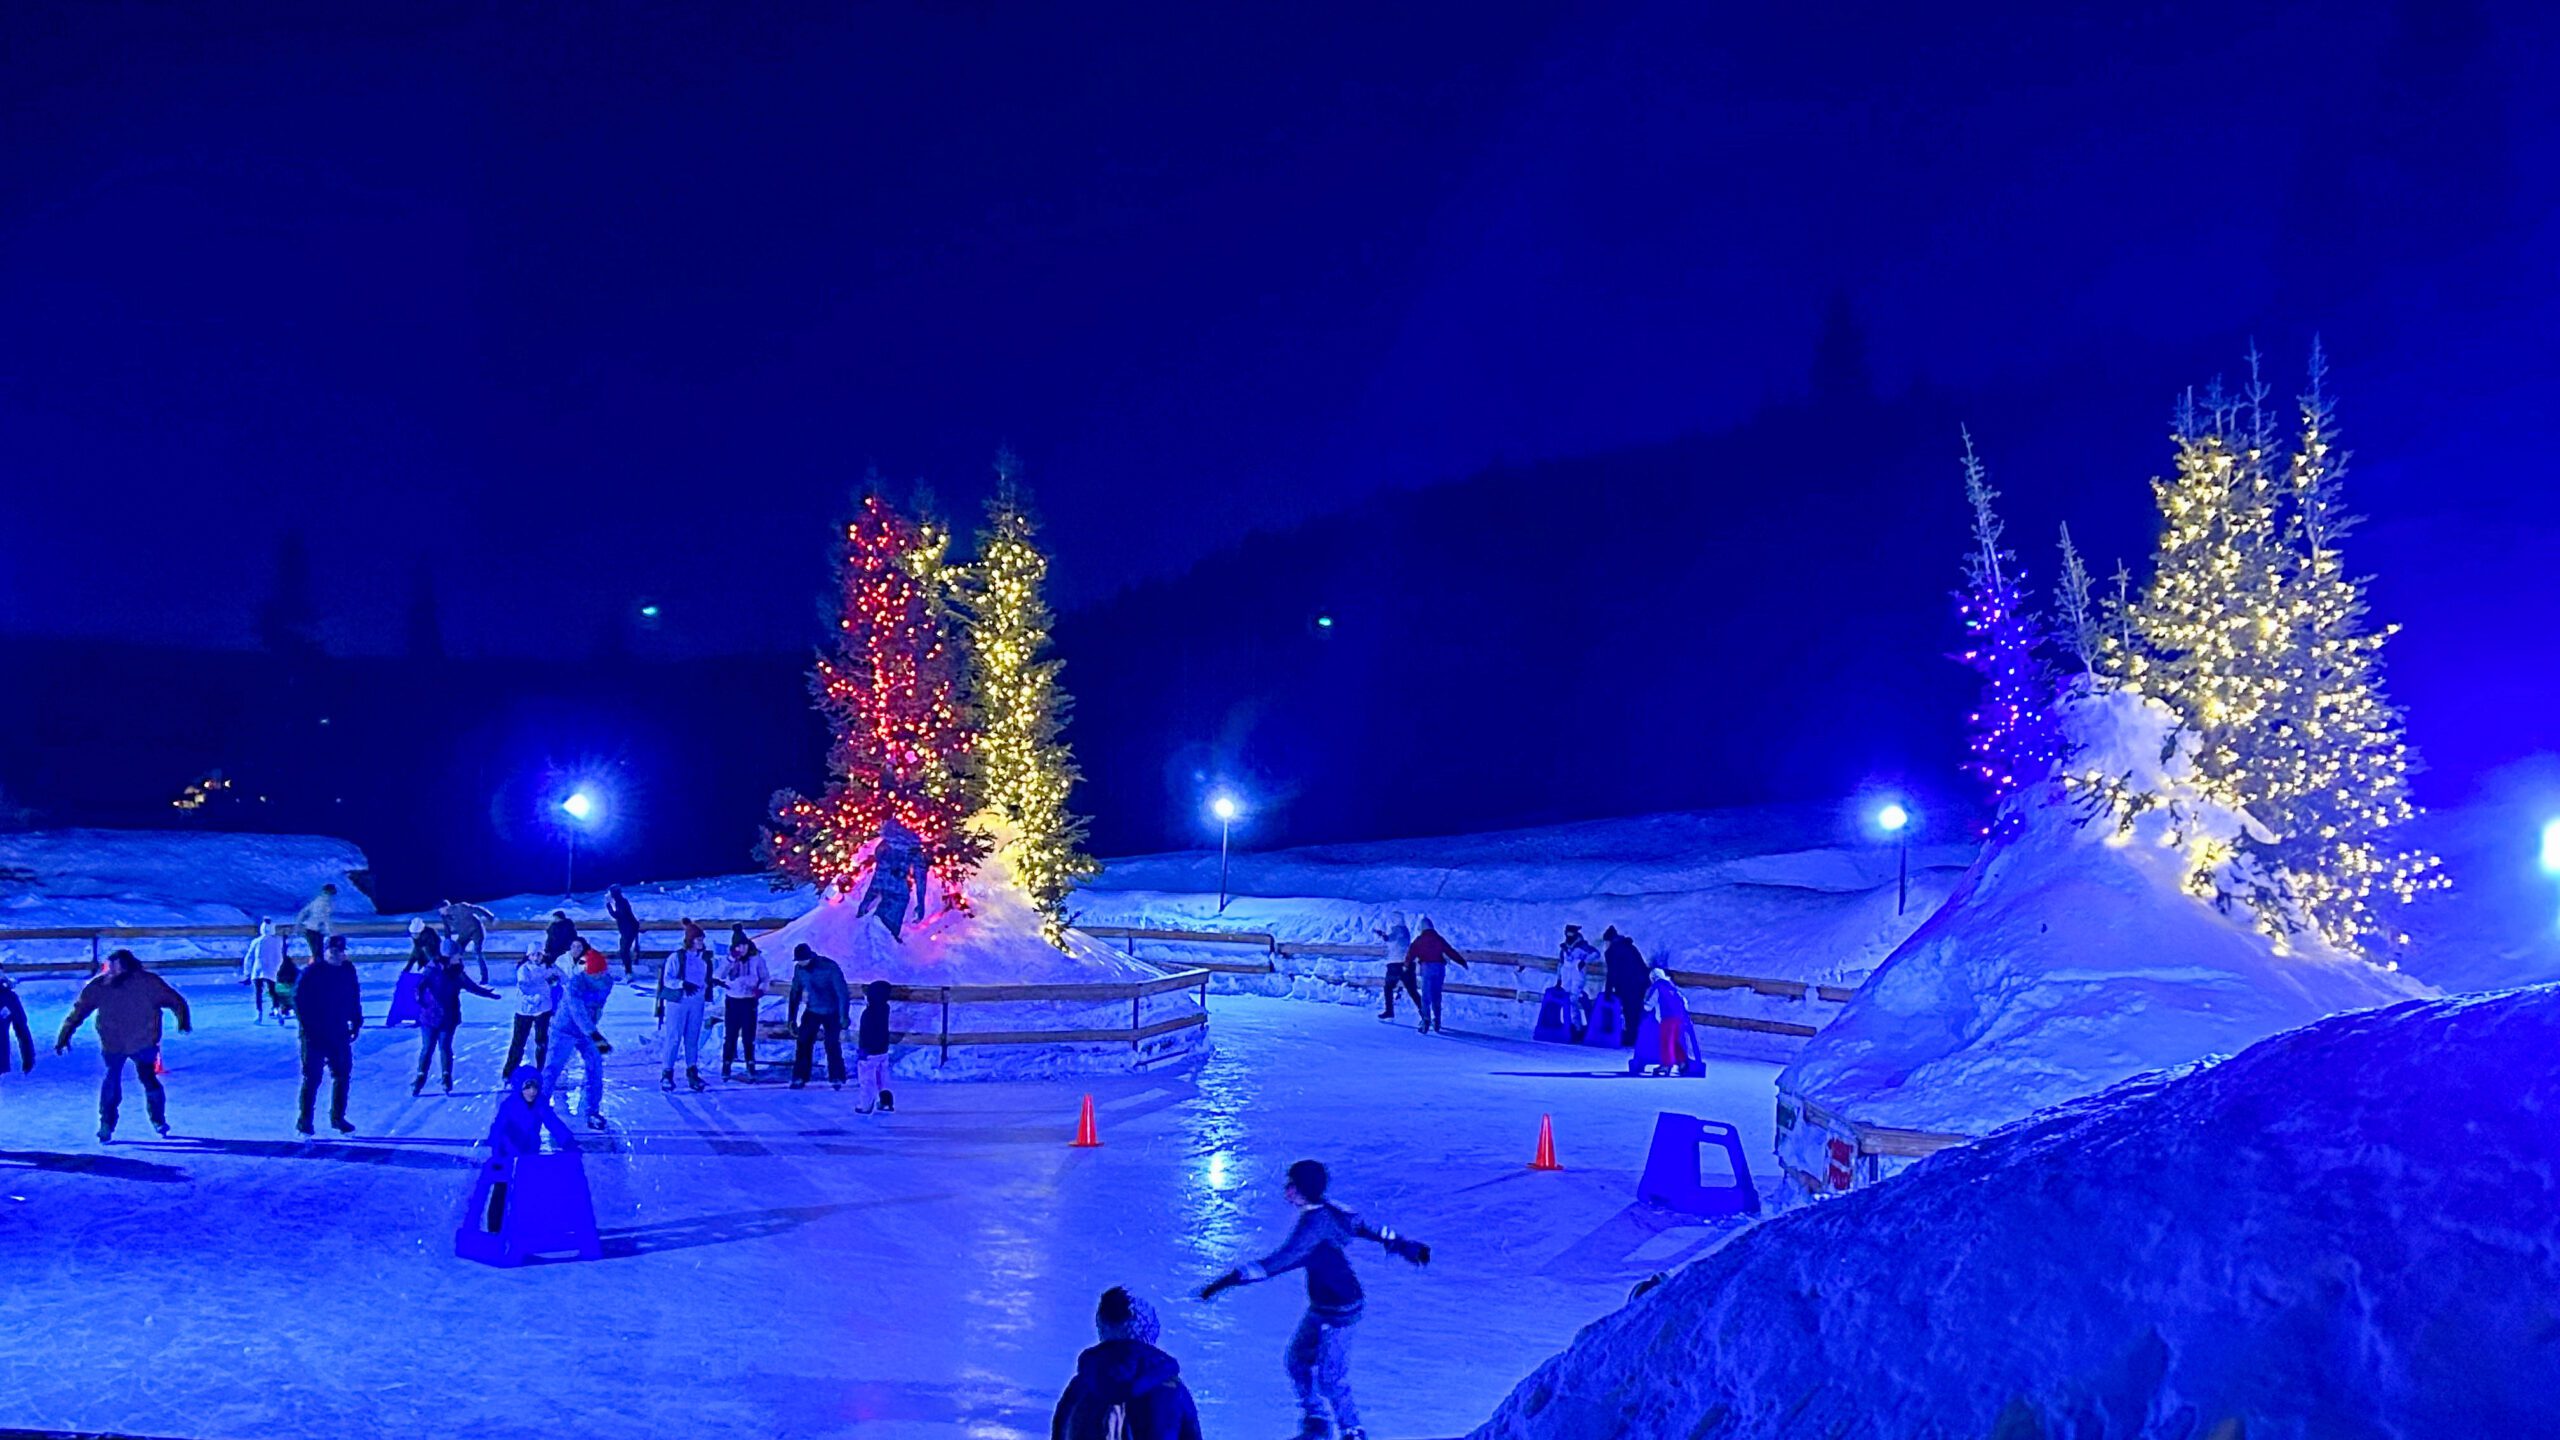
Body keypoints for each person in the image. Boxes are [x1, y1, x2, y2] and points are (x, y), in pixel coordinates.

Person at [1198, 1159, 1429, 1440]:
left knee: (1332, 1378)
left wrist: (1225, 1282)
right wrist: (1401, 1243)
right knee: (1297, 1361)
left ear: (1304, 1189)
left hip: (1340, 1310)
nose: (1286, 1191)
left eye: (1291, 1185)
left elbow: (1280, 1261)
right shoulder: (1330, 1209)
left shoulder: (1312, 1228)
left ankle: (1352, 1431)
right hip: (1322, 1305)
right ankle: (1316, 1419)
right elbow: (1364, 1225)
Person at [55, 950, 191, 1142]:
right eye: (108, 966)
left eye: (113, 966)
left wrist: (183, 1020)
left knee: (141, 1077)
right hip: (118, 1042)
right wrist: (65, 1033)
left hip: (138, 1041)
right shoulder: (104, 985)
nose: (109, 970)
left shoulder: (145, 983)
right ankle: (109, 1123)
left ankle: (153, 1120)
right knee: (121, 1078)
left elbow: (176, 1002)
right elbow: (79, 1010)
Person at [1050, 1286, 1204, 1440]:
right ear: (1151, 1332)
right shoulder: (1173, 1389)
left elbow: (1060, 1432)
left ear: (1102, 1326)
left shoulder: (1080, 1386)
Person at [475, 1065, 578, 1233]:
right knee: (502, 1189)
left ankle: (528, 1225)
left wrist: (567, 1141)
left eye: (535, 1087)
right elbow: (498, 1129)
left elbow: (553, 1122)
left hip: (529, 1156)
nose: (532, 1091)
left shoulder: (540, 1104)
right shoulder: (509, 1105)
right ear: (519, 1087)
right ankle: (495, 1228)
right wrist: (498, 1153)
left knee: (530, 1190)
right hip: (507, 1155)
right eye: (527, 1087)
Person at [294, 935, 363, 1137]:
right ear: (325, 952)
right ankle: (304, 1120)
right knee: (312, 1077)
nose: (337, 955)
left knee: (342, 1075)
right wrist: (308, 1028)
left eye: (340, 951)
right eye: (333, 951)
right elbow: (298, 1000)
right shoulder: (312, 972)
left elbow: (353, 995)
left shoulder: (347, 970)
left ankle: (338, 1117)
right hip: (314, 1035)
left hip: (338, 1032)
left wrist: (356, 1019)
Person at [544, 940, 614, 1128]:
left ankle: (593, 1110)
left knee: (596, 1067)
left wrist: (594, 1028)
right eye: (596, 973)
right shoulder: (575, 985)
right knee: (552, 1069)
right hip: (565, 1030)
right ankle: (537, 1108)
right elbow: (579, 1015)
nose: (600, 976)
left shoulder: (607, 981)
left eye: (602, 972)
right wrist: (596, 1036)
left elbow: (598, 1007)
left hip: (588, 1031)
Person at [412, 950, 501, 1096]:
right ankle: (421, 1077)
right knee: (429, 1048)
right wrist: (419, 997)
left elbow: (472, 987)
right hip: (432, 1016)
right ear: (448, 955)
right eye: (457, 956)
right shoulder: (433, 969)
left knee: (443, 1047)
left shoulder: (456, 972)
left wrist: (489, 994)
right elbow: (420, 985)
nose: (460, 958)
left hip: (447, 1017)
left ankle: (446, 1077)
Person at [658, 920, 714, 1092]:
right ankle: (667, 1073)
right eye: (697, 940)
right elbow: (667, 979)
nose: (700, 943)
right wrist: (682, 984)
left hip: (697, 1002)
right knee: (674, 1037)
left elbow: (705, 979)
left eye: (702, 940)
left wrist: (712, 983)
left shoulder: (704, 960)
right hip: (678, 1002)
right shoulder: (677, 957)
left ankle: (692, 1071)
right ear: (690, 940)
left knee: (692, 1038)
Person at [786, 943, 850, 1090]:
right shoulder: (800, 970)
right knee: (803, 1042)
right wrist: (791, 1018)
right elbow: (795, 992)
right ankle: (800, 1076)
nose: (800, 963)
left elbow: (842, 992)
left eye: (802, 960)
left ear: (809, 957)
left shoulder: (829, 967)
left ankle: (837, 1076)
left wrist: (843, 1015)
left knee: (832, 1044)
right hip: (812, 1010)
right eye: (798, 961)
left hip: (831, 1011)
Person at [856, 816, 932, 941]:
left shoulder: (884, 847)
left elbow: (878, 877)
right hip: (899, 892)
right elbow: (920, 879)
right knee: (886, 934)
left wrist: (866, 901)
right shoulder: (914, 851)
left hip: (886, 886)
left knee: (877, 932)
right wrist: (920, 902)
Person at [716, 928, 770, 1081]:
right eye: (739, 946)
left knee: (748, 1035)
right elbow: (719, 975)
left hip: (749, 1000)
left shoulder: (756, 958)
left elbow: (765, 977)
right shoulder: (729, 960)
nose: (743, 949)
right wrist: (731, 960)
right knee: (731, 1035)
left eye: (745, 945)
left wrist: (761, 990)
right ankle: (727, 1064)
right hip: (733, 1000)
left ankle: (750, 1064)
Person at [1403, 917, 1468, 1035]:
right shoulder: (1438, 939)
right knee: (1437, 994)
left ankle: (1426, 1020)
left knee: (1426, 995)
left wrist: (1406, 965)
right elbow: (1450, 951)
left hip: (1427, 968)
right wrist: (1461, 961)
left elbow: (1411, 953)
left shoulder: (1419, 940)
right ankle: (1437, 1020)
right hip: (1440, 968)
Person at [504, 940, 560, 1076]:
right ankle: (509, 1072)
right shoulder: (523, 969)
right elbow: (525, 988)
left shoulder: (549, 968)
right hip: (524, 1010)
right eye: (533, 955)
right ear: (528, 956)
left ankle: (541, 1069)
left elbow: (558, 981)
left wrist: (550, 984)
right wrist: (543, 986)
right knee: (518, 1042)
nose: (536, 957)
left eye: (539, 954)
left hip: (543, 1010)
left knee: (541, 1041)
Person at [1601, 926, 1649, 1050]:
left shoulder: (1612, 951)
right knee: (1636, 1010)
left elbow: (1612, 972)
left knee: (1629, 1010)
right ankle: (1638, 1036)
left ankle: (1631, 1037)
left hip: (1627, 984)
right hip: (1640, 983)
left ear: (1609, 940)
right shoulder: (1629, 946)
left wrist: (1608, 991)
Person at [855, 979, 895, 1114]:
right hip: (882, 1048)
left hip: (869, 1050)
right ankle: (886, 1101)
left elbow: (865, 1033)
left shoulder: (869, 1013)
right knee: (882, 1077)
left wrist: (862, 1050)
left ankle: (865, 1105)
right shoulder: (885, 1008)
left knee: (867, 1078)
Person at [1371, 914, 1419, 1022]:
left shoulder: (1397, 930)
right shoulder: (1406, 931)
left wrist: (1380, 933)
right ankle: (1424, 1012)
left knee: (1388, 987)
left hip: (1395, 964)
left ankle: (1389, 1011)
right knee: (1412, 990)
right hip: (1408, 963)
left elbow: (1388, 938)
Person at [439, 898, 498, 983]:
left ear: (445, 907)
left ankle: (484, 978)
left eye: (440, 909)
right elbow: (447, 930)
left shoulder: (460, 907)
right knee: (455, 952)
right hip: (464, 934)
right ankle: (459, 975)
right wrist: (448, 943)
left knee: (478, 952)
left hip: (476, 930)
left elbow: (477, 909)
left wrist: (490, 917)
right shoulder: (444, 917)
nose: (440, 912)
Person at [242, 919, 288, 1023]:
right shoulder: (278, 941)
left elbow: (249, 957)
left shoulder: (256, 941)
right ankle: (277, 1009)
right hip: (272, 969)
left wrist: (247, 972)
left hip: (258, 969)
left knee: (258, 992)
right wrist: (278, 968)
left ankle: (259, 1013)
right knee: (273, 991)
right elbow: (280, 956)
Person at [295, 882, 339, 965]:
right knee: (318, 955)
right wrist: (331, 933)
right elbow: (325, 919)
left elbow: (303, 912)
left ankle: (316, 971)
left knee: (317, 955)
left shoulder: (317, 901)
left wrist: (298, 925)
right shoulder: (325, 904)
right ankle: (316, 972)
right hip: (315, 931)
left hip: (311, 930)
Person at [0, 971, 34, 1076]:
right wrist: (28, 1058)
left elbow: (21, 1029)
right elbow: (22, 1029)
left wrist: (28, 1057)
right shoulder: (8, 997)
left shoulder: (7, 997)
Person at [607, 885, 642, 976]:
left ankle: (628, 972)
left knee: (624, 951)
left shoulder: (621, 902)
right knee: (624, 951)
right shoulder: (621, 901)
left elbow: (618, 915)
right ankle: (628, 971)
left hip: (628, 930)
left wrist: (608, 905)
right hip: (628, 929)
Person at [271, 950, 300, 1022]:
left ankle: (278, 1009)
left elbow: (277, 979)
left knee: (278, 997)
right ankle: (288, 1009)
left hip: (280, 990)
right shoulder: (295, 970)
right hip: (291, 991)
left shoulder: (280, 971)